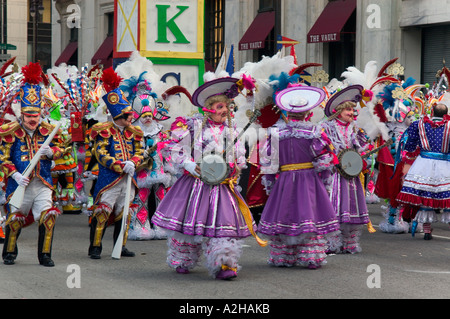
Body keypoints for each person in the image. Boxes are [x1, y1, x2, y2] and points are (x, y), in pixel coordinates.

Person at [151, 76, 266, 280]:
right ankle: (183, 260)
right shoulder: (192, 125)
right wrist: (188, 163)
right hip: (194, 185)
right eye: (221, 106)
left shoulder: (232, 131)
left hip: (223, 187)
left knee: (224, 228)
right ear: (209, 107)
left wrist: (234, 168)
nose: (225, 111)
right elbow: (173, 148)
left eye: (228, 107)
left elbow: (239, 157)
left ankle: (224, 264)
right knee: (188, 227)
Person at [258, 85, 340, 269]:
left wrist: (271, 188)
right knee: (309, 214)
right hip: (309, 179)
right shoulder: (313, 133)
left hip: (285, 179)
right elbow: (325, 162)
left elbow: (269, 166)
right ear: (307, 113)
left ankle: (283, 256)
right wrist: (326, 184)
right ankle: (310, 255)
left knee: (285, 214)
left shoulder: (276, 134)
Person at [0, 62, 64, 266]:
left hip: (42, 183)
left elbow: (66, 152)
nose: (32, 120)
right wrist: (14, 174)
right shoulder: (10, 131)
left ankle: (45, 255)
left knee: (48, 217)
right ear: (22, 115)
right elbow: (3, 158)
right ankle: (9, 252)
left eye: (35, 116)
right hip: (19, 184)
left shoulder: (48, 131)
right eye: (28, 116)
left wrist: (52, 152)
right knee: (15, 219)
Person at [88, 67, 145, 259]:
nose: (132, 117)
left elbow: (140, 151)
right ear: (119, 116)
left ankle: (120, 246)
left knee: (125, 212)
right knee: (103, 211)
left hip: (129, 177)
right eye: (128, 115)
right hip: (109, 178)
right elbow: (101, 154)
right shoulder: (103, 130)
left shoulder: (135, 132)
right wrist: (121, 165)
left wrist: (134, 163)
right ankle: (95, 247)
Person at [321, 85, 372, 254]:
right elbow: (322, 148)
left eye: (352, 110)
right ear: (339, 111)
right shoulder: (326, 127)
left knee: (352, 207)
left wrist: (364, 153)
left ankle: (349, 242)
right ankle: (331, 243)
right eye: (348, 110)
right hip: (334, 174)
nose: (352, 113)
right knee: (333, 207)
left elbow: (361, 148)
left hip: (351, 175)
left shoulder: (355, 128)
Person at [396, 102, 450, 240]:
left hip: (424, 162)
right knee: (447, 197)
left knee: (426, 198)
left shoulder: (418, 124)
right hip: (445, 163)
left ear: (432, 112)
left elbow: (410, 145)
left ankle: (427, 231)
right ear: (446, 113)